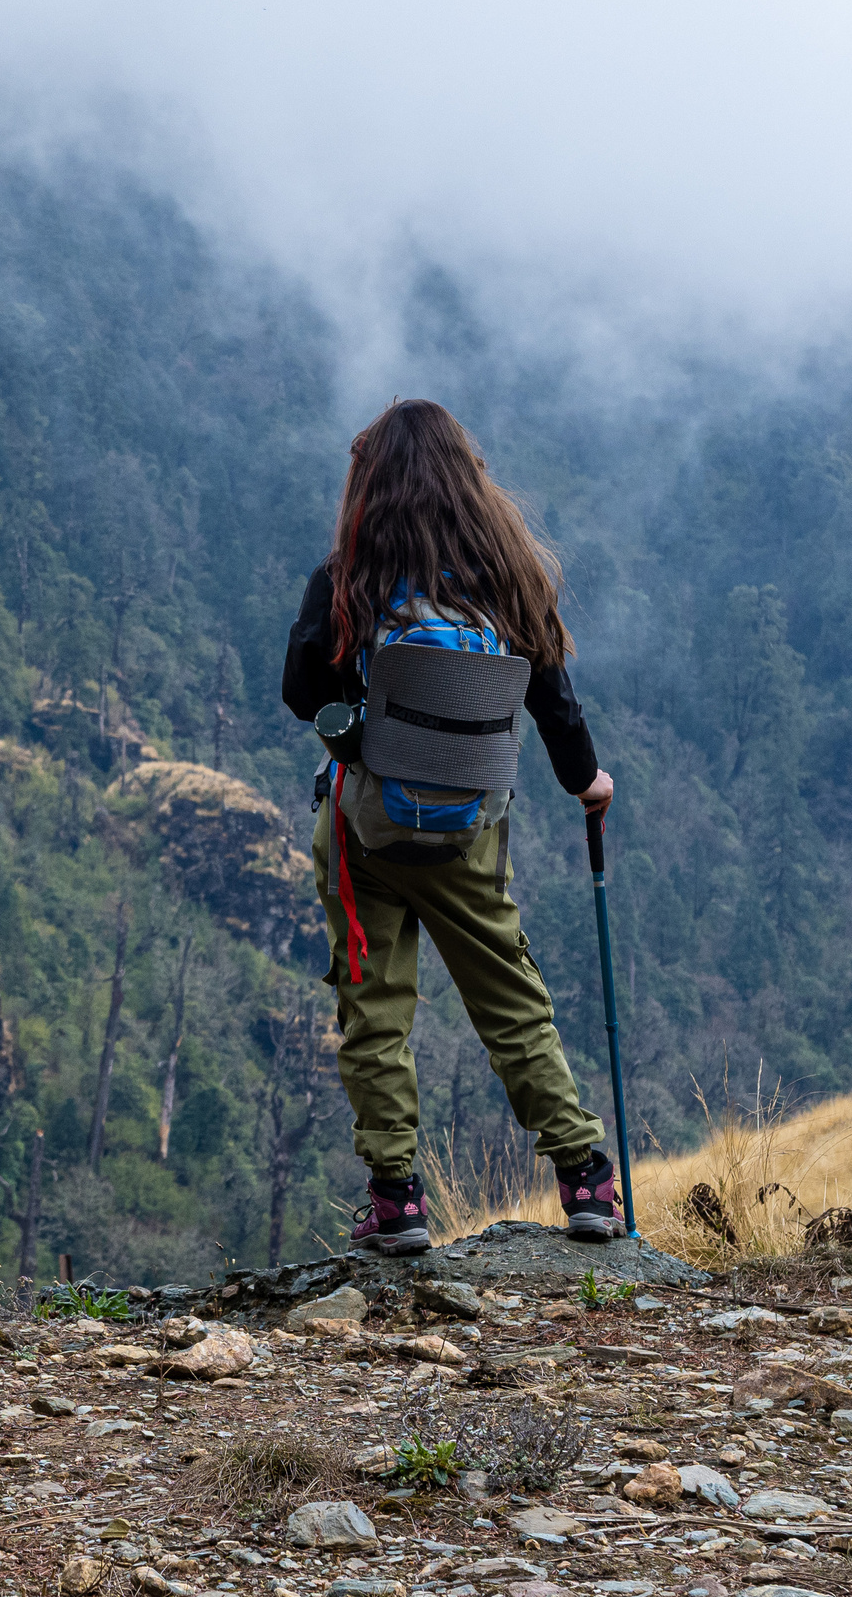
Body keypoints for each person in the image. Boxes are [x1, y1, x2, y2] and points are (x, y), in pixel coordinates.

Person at [281, 398, 622, 1252]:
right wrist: (587, 783)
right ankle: (585, 1179)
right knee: (511, 1003)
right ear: (468, 479)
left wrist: (369, 744)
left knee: (375, 1011)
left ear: (373, 484)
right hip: (470, 836)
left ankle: (397, 1202)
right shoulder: (511, 577)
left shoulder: (349, 575)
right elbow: (552, 700)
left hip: (365, 832)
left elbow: (302, 691)